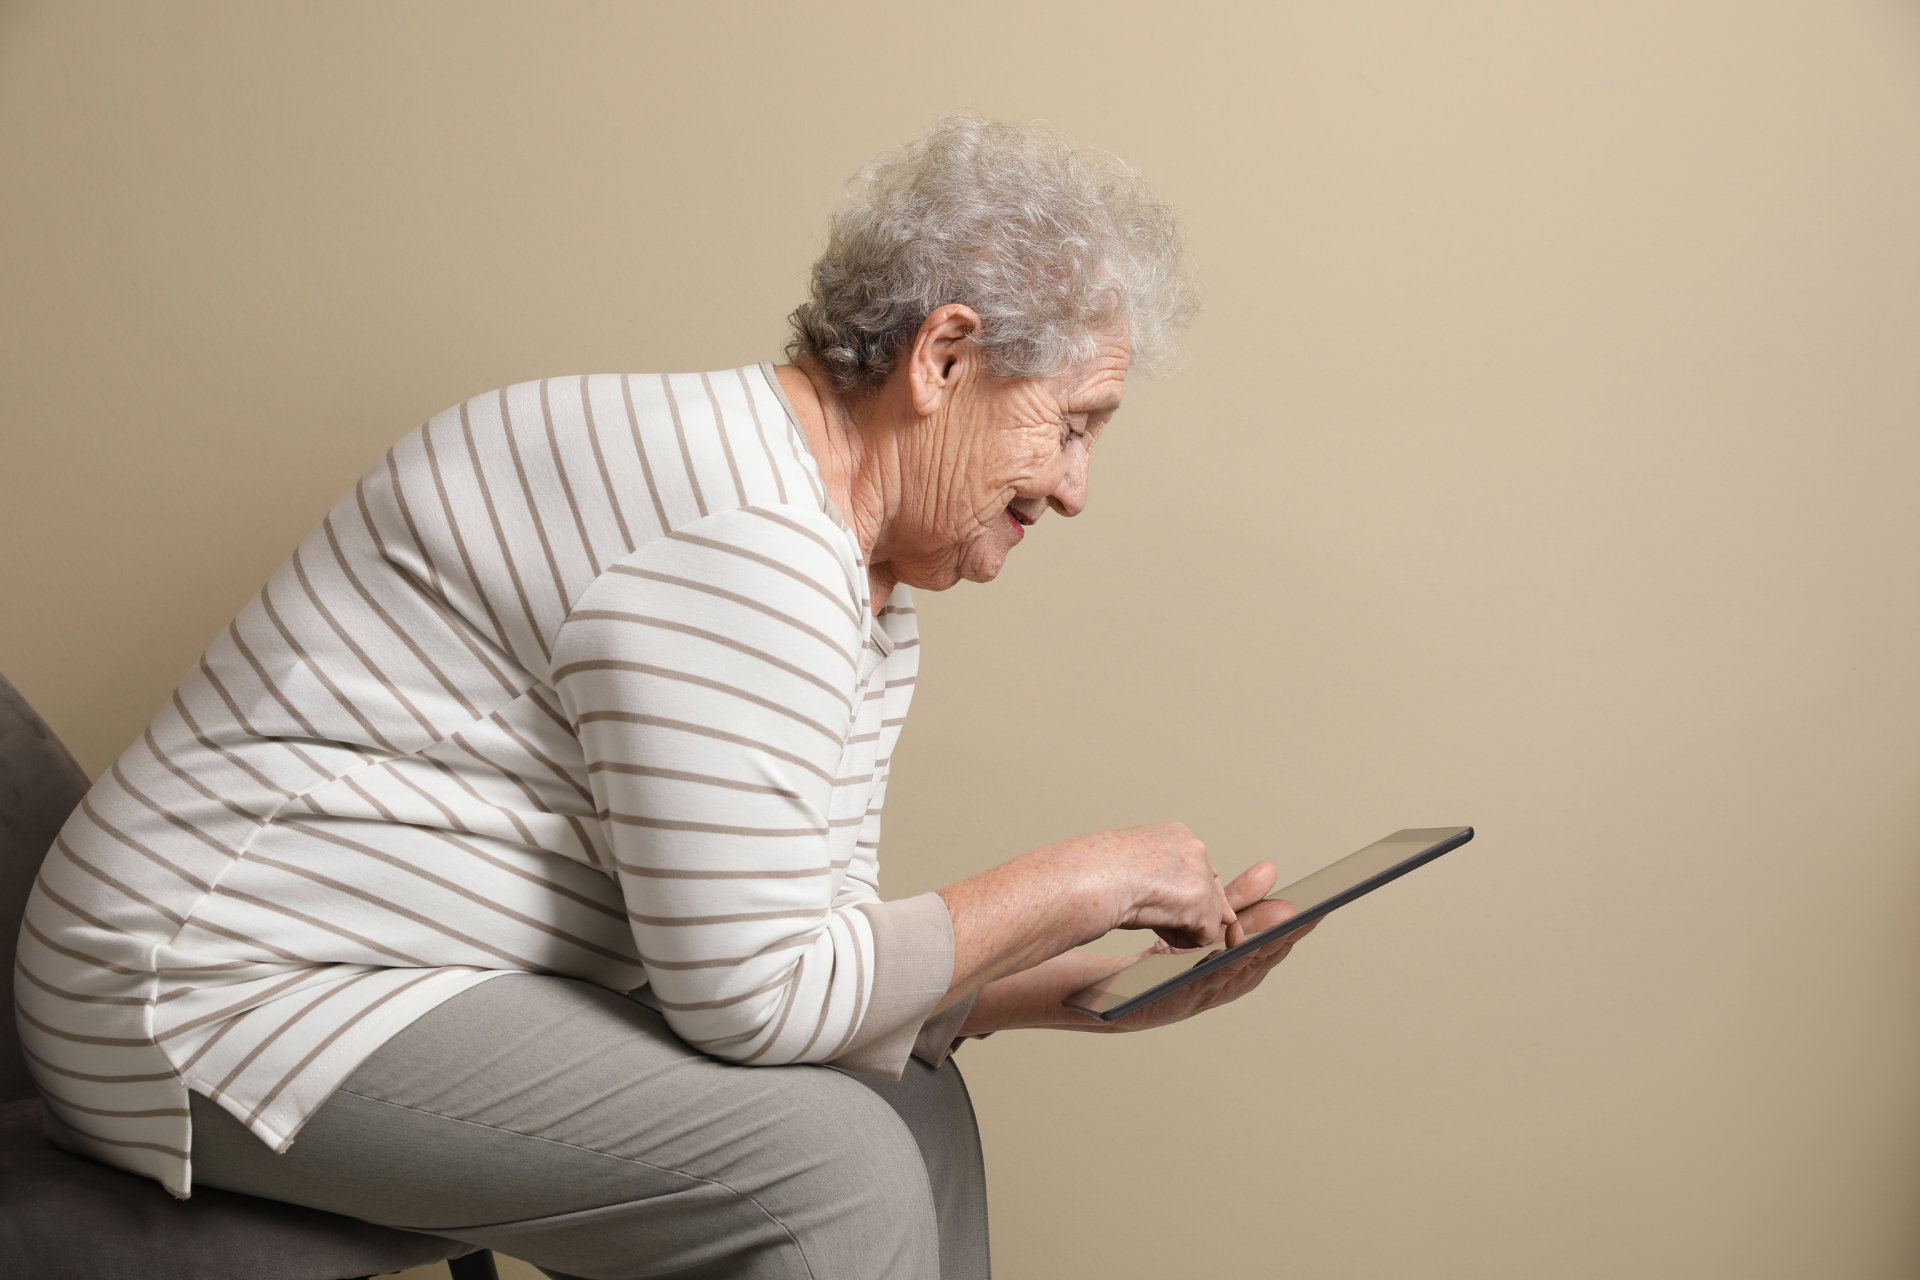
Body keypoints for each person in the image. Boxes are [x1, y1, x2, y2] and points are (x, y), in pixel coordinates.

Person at [17, 115, 1315, 1280]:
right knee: (832, 1174)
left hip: (407, 967)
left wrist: (1066, 984)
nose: (1078, 489)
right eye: (1075, 424)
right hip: (200, 987)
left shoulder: (847, 577)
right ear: (947, 358)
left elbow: (789, 949)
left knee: (910, 1116)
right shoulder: (734, 529)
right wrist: (1073, 882)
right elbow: (757, 1003)